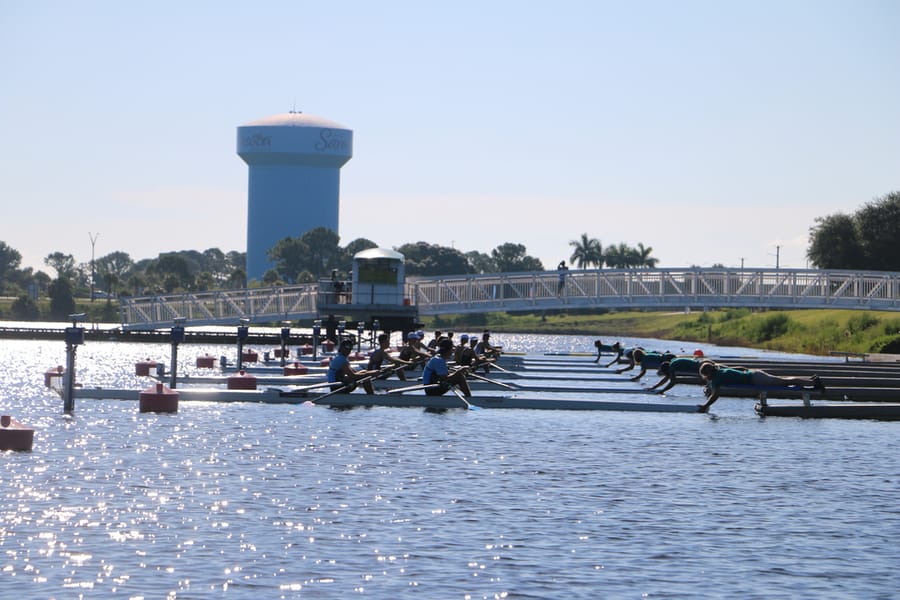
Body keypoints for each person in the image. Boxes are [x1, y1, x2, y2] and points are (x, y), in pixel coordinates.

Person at [698, 361, 824, 413]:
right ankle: (811, 381)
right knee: (784, 381)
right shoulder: (720, 371)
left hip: (756, 379)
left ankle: (814, 383)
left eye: (704, 375)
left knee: (786, 382)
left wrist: (705, 405)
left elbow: (715, 395)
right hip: (754, 374)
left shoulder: (717, 379)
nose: (704, 378)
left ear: (708, 374)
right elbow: (740, 368)